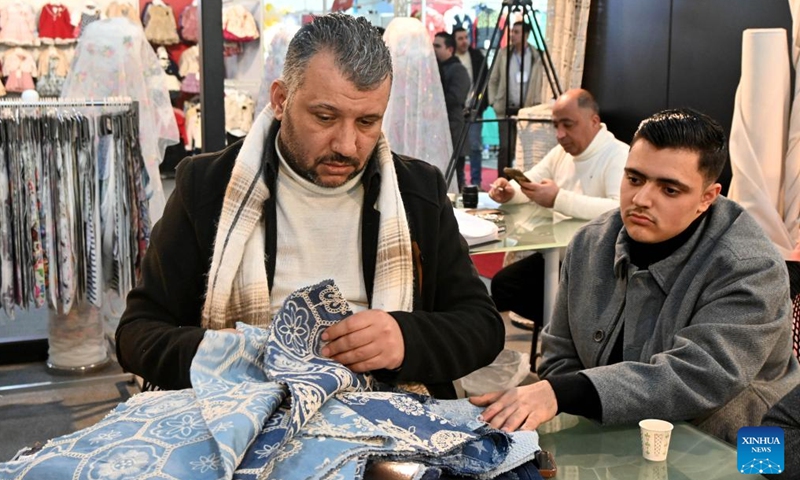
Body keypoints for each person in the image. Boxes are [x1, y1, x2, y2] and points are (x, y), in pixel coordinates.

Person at [115, 13, 505, 399]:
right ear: (282, 100)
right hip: (238, 411)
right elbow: (137, 334)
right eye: (325, 117)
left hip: (384, 413)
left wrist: (405, 338)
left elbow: (482, 326)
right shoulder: (208, 186)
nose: (346, 145)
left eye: (368, 122)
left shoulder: (416, 191)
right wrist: (223, 352)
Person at [471, 108, 800, 443]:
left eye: (669, 190)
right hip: (617, 440)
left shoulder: (751, 266)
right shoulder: (589, 242)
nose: (641, 199)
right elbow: (559, 355)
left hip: (745, 447)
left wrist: (566, 392)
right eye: (635, 179)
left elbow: (701, 376)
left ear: (707, 198)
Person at [488, 89, 628, 330]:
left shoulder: (618, 155)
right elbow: (530, 181)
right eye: (555, 126)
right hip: (559, 258)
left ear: (594, 121)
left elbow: (619, 209)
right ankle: (564, 333)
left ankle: (567, 334)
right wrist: (510, 192)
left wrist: (558, 199)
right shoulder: (560, 153)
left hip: (600, 265)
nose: (560, 135)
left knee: (538, 298)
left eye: (568, 125)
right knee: (503, 285)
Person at [488, 20, 544, 181]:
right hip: (505, 108)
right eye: (512, 31)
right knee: (505, 148)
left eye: (517, 32)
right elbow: (493, 79)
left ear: (526, 35)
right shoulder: (504, 54)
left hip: (527, 110)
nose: (512, 35)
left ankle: (524, 185)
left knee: (526, 149)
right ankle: (502, 183)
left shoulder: (536, 56)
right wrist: (494, 101)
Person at [433, 31, 471, 192]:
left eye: (437, 46)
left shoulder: (458, 70)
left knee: (456, 175)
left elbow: (455, 98)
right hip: (442, 130)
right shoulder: (437, 69)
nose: (433, 49)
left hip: (453, 130)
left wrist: (434, 102)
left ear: (449, 49)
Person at [453, 26, 488, 188]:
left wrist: (482, 104)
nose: (464, 41)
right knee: (458, 149)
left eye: (466, 37)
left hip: (474, 109)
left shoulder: (476, 57)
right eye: (460, 38)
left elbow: (485, 82)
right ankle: (460, 182)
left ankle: (476, 182)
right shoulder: (451, 59)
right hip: (455, 112)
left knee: (475, 146)